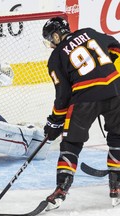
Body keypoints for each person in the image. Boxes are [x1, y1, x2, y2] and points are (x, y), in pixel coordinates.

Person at [41, 16, 120, 210]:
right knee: (118, 136)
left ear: (57, 36)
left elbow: (63, 96)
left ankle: (61, 189)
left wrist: (54, 122)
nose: (51, 44)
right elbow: (116, 47)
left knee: (71, 143)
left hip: (85, 98)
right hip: (115, 89)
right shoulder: (90, 32)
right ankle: (116, 185)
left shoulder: (56, 57)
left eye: (51, 39)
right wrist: (103, 67)